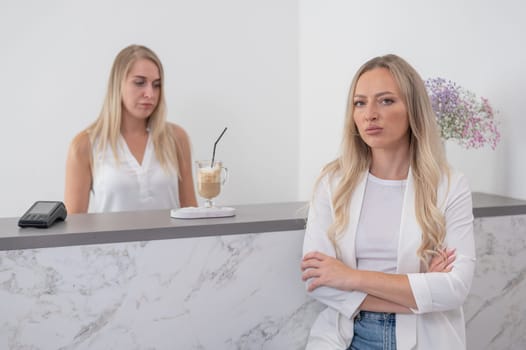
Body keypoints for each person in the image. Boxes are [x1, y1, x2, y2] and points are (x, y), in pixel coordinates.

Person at [301, 54, 475, 349]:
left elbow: (454, 288)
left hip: (424, 338)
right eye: (360, 103)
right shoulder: (333, 181)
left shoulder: (449, 185)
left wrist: (351, 277)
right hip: (346, 336)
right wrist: (417, 296)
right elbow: (319, 280)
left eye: (385, 101)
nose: (370, 114)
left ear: (413, 109)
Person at [65, 44, 197, 213]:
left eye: (156, 85)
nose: (150, 93)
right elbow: (73, 228)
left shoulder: (176, 138)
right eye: (140, 83)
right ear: (118, 84)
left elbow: (192, 213)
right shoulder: (84, 145)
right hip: (112, 241)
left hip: (171, 241)